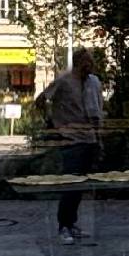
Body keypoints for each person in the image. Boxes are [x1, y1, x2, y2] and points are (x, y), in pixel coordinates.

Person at [34, 51, 102, 244]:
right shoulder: (64, 81)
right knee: (71, 183)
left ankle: (71, 223)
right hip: (71, 138)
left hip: (88, 137)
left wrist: (98, 138)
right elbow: (41, 99)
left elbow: (95, 110)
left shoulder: (91, 82)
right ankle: (63, 225)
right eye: (88, 62)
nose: (91, 66)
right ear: (80, 63)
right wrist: (52, 121)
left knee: (80, 185)